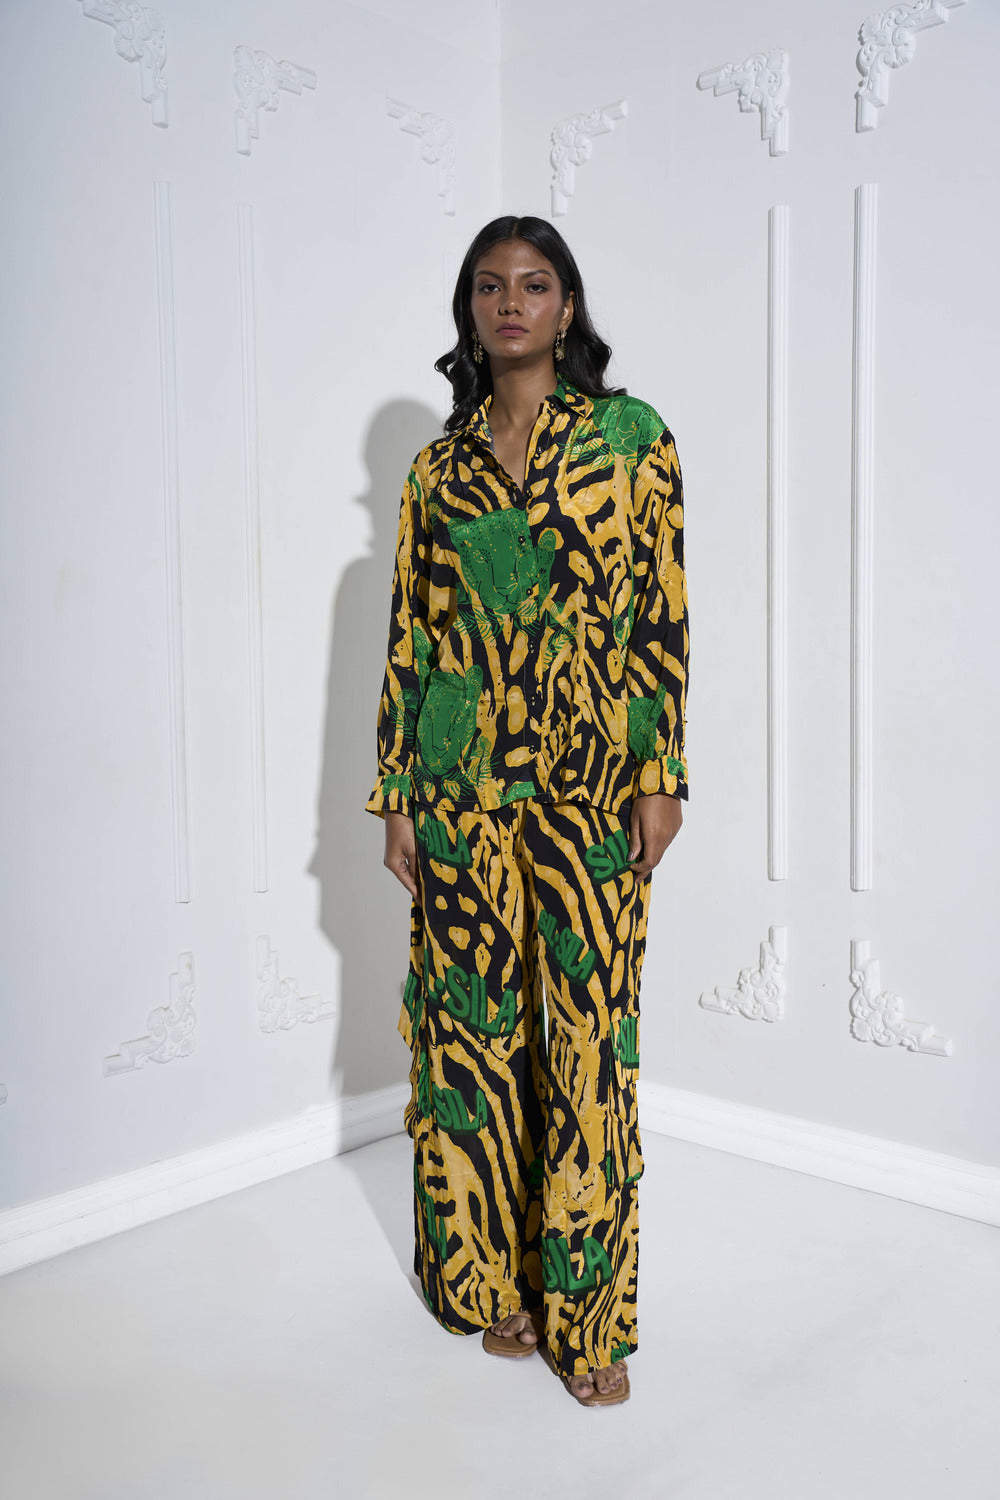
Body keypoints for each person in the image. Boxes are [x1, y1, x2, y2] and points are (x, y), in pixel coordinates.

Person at [365, 214, 689, 1407]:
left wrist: (659, 775)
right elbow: (411, 637)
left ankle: (588, 1315)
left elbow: (660, 616)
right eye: (490, 286)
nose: (511, 302)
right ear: (469, 309)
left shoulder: (629, 440)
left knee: (589, 1045)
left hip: (587, 788)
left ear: (567, 306)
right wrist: (397, 795)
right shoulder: (436, 471)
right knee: (472, 1042)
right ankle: (493, 1282)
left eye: (534, 284)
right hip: (456, 794)